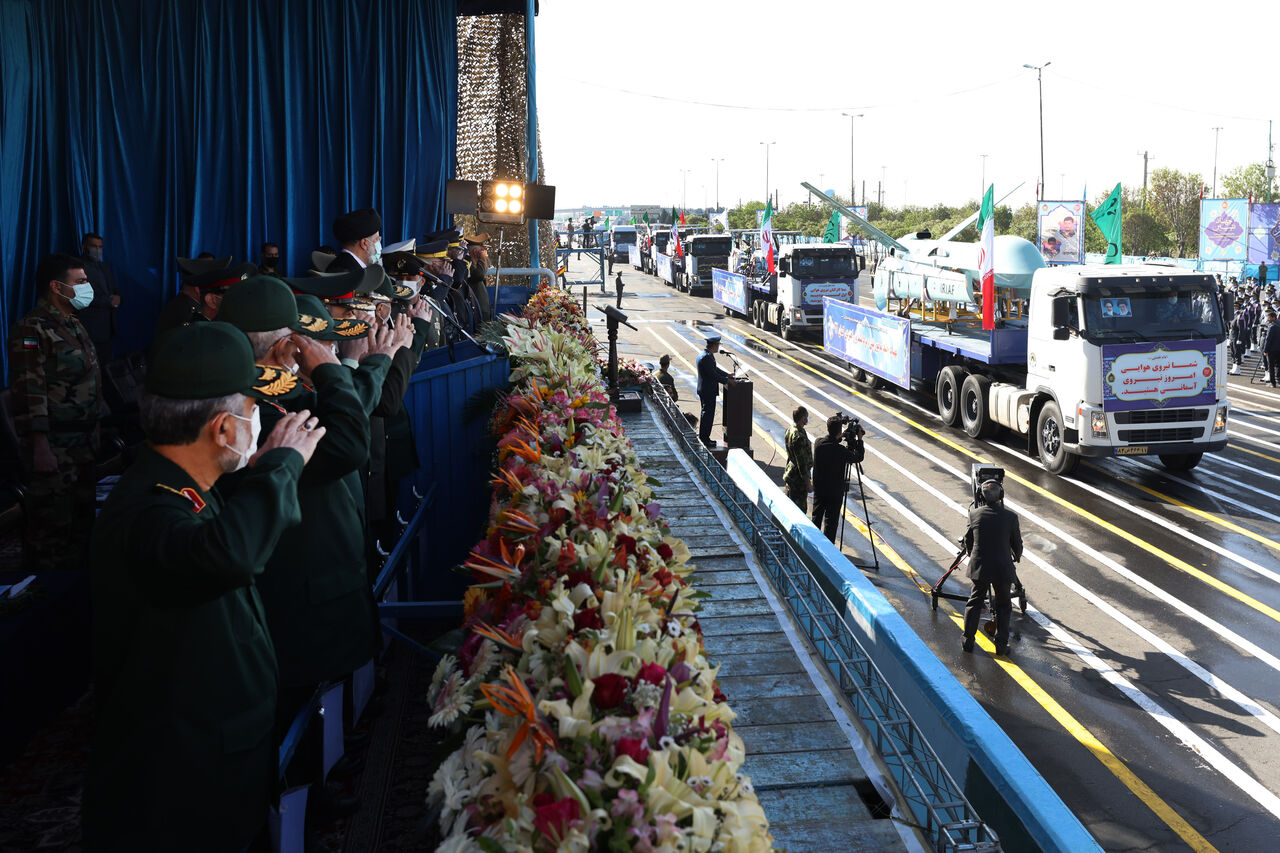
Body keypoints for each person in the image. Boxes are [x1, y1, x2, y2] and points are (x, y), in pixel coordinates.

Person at [85, 321, 324, 849]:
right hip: (178, 779)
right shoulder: (148, 509)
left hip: (216, 751)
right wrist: (281, 468)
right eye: (252, 409)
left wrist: (260, 470)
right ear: (222, 429)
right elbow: (225, 555)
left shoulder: (187, 483)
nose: (259, 422)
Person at [7, 253, 103, 571]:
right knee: (51, 536)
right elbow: (29, 393)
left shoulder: (74, 325)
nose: (87, 287)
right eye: (80, 282)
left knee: (82, 530)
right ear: (56, 287)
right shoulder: (31, 330)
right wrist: (41, 447)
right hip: (55, 450)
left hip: (84, 445)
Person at [961, 479, 1023, 656]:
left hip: (980, 567)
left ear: (981, 496)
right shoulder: (1011, 518)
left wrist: (972, 553)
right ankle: (1001, 646)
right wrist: (1016, 557)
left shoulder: (974, 514)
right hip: (1003, 569)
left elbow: (968, 541)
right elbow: (1017, 544)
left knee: (974, 603)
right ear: (1000, 496)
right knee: (1004, 606)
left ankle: (968, 642)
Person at [810, 414, 865, 542]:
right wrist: (860, 439)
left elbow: (831, 441)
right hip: (834, 492)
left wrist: (841, 435)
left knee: (816, 518)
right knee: (831, 523)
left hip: (819, 489)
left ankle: (812, 544)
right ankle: (828, 549)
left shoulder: (818, 443)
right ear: (839, 432)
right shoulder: (840, 451)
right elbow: (858, 457)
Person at [76, 232, 121, 368]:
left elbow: (114, 290)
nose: (97, 250)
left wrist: (119, 298)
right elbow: (79, 297)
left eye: (100, 247)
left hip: (107, 327)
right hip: (89, 327)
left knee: (105, 366)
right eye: (94, 246)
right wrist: (107, 301)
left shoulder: (104, 267)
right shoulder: (78, 268)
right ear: (84, 247)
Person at [695, 332, 736, 447]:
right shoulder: (706, 357)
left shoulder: (706, 355)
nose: (719, 347)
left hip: (705, 390)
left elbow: (715, 369)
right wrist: (727, 381)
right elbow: (713, 374)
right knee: (707, 415)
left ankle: (705, 437)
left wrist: (727, 375)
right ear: (713, 345)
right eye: (718, 345)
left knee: (706, 414)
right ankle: (705, 439)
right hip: (707, 391)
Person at [329, 208, 383, 274]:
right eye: (377, 239)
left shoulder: (345, 265)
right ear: (364, 244)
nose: (379, 244)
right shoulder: (347, 274)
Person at [783, 406, 812, 512]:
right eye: (806, 417)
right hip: (798, 480)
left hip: (791, 473)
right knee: (799, 509)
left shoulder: (790, 429)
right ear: (803, 418)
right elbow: (802, 463)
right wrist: (808, 483)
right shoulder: (799, 436)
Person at [1264, 310, 1280, 387]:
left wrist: (1265, 350)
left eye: (1269, 318)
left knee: (1271, 366)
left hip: (1272, 350)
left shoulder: (1272, 326)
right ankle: (1279, 380)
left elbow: (1268, 339)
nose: (1268, 319)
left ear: (1274, 318)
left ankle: (1272, 382)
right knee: (1278, 365)